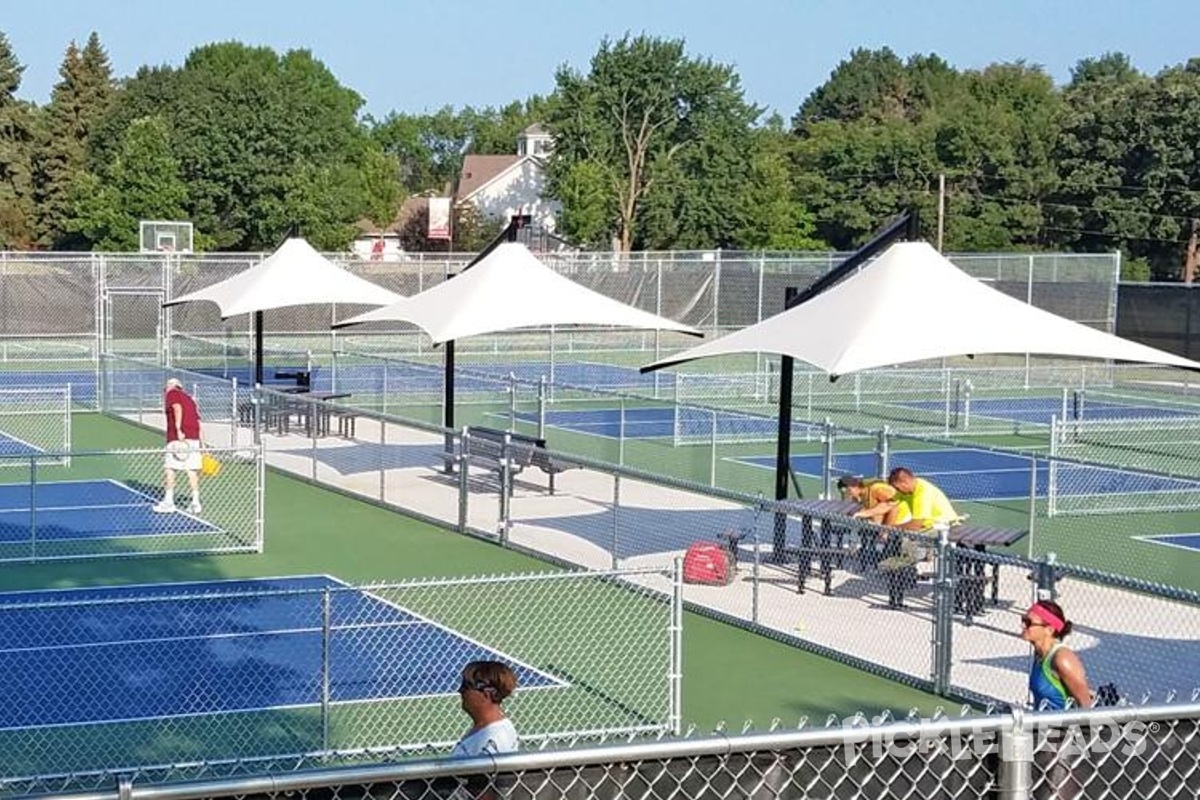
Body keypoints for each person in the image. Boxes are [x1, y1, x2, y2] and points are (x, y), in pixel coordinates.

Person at [1022, 600, 1093, 710]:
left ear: (1049, 630)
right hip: (1041, 724)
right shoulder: (1040, 654)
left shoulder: (1062, 659)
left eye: (1028, 622)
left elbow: (1087, 706)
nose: (1023, 626)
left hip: (1061, 726)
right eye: (1023, 620)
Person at [154, 378, 203, 514]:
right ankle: (195, 502)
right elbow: (199, 421)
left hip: (178, 438)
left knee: (170, 468)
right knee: (191, 470)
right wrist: (203, 444)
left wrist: (178, 429)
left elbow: (177, 408)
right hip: (193, 437)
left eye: (166, 388)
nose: (165, 391)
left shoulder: (172, 394)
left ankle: (169, 501)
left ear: (171, 386)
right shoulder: (190, 399)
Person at [451, 661, 519, 757]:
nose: (460, 691)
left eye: (466, 686)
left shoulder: (491, 740)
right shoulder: (495, 728)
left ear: (487, 693)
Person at [884, 467, 962, 531]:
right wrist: (871, 512)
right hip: (929, 527)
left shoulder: (922, 493)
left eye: (897, 488)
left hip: (943, 528)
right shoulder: (907, 490)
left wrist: (890, 529)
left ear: (905, 482)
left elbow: (915, 526)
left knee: (907, 544)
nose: (896, 491)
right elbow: (888, 505)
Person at [836, 475, 913, 527]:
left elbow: (894, 508)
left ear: (852, 487)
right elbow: (875, 511)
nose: (848, 496)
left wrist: (886, 530)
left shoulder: (876, 488)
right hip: (892, 524)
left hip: (902, 523)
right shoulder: (862, 494)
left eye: (846, 492)